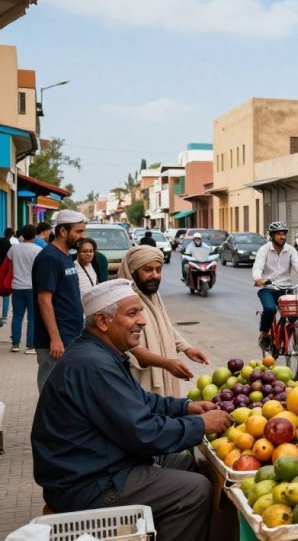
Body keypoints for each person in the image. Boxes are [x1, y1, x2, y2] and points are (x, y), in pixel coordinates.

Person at [31, 279, 228, 541]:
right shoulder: (94, 365)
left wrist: (186, 407)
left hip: (99, 462)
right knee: (195, 490)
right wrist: (202, 425)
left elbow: (140, 402)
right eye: (132, 313)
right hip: (87, 483)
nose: (142, 321)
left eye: (141, 312)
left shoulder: (101, 353)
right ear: (103, 321)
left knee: (185, 461)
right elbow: (143, 433)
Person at [117, 245, 210, 397]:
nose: (155, 275)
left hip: (164, 368)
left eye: (158, 270)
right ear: (132, 271)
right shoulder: (123, 300)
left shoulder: (154, 295)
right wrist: (167, 363)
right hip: (140, 376)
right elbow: (130, 347)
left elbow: (165, 326)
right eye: (148, 270)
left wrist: (187, 348)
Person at [33, 210, 87, 391]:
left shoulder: (65, 257)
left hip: (70, 336)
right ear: (63, 232)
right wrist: (55, 339)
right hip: (56, 342)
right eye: (78, 232)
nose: (83, 236)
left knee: (67, 394)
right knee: (53, 395)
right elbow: (44, 300)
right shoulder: (49, 258)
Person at [252, 221, 298, 351]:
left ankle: (285, 335)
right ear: (272, 235)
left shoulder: (290, 250)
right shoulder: (264, 250)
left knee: (294, 314)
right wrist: (258, 279)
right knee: (270, 309)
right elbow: (257, 267)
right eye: (279, 234)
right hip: (268, 288)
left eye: (284, 234)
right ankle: (264, 334)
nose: (282, 237)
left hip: (286, 288)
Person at [9, 224, 41, 354]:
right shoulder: (38, 250)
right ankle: (30, 346)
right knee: (32, 318)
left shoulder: (14, 249)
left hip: (17, 286)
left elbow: (9, 265)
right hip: (33, 287)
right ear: (34, 235)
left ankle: (15, 344)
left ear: (22, 234)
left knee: (17, 316)